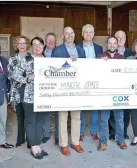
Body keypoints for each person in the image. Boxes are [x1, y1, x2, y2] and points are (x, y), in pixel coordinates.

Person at [11, 36, 48, 159]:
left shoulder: (48, 60)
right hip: (29, 96)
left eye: (39, 44)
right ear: (31, 47)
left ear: (43, 46)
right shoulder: (25, 59)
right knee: (31, 121)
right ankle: (33, 147)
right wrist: (27, 78)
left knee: (40, 121)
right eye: (34, 44)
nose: (37, 47)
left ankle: (37, 145)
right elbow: (14, 75)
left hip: (44, 96)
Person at [51, 26, 85, 156]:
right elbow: (53, 69)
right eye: (67, 33)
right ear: (63, 36)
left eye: (72, 33)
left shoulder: (81, 51)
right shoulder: (57, 50)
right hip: (63, 89)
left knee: (76, 117)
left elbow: (86, 69)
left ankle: (75, 142)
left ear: (75, 35)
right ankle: (64, 145)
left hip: (77, 89)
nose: (70, 35)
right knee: (63, 118)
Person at [97, 37, 127, 151]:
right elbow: (95, 72)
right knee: (104, 119)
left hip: (118, 92)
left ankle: (121, 140)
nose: (112, 45)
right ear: (107, 44)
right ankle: (103, 142)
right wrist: (101, 63)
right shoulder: (100, 57)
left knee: (119, 118)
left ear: (117, 44)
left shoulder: (122, 58)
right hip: (105, 93)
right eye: (110, 43)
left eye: (114, 43)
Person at [77, 24, 103, 142]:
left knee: (95, 108)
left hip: (95, 81)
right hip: (80, 81)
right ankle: (80, 132)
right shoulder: (76, 48)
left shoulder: (99, 48)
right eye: (86, 32)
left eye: (91, 32)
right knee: (80, 108)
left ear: (94, 34)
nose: (88, 34)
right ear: (82, 34)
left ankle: (93, 131)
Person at [108, 30, 134, 141]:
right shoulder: (108, 53)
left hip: (127, 86)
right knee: (112, 111)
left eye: (122, 37)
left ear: (125, 39)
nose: (119, 39)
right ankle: (113, 132)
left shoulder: (131, 52)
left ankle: (123, 132)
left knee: (126, 111)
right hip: (112, 86)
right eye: (117, 37)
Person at [8, 36, 31, 148]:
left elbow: (34, 75)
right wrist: (26, 79)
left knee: (29, 117)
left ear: (27, 45)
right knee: (20, 117)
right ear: (16, 45)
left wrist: (27, 78)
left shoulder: (31, 59)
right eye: (19, 43)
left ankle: (30, 140)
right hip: (16, 92)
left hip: (28, 92)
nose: (22, 45)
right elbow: (10, 75)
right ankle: (20, 139)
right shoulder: (12, 59)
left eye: (24, 43)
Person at [42, 32, 59, 145]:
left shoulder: (61, 51)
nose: (50, 42)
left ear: (56, 41)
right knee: (45, 111)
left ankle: (58, 135)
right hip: (45, 87)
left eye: (52, 40)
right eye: (48, 40)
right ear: (45, 41)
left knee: (59, 112)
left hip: (58, 86)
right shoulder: (40, 52)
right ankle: (46, 134)